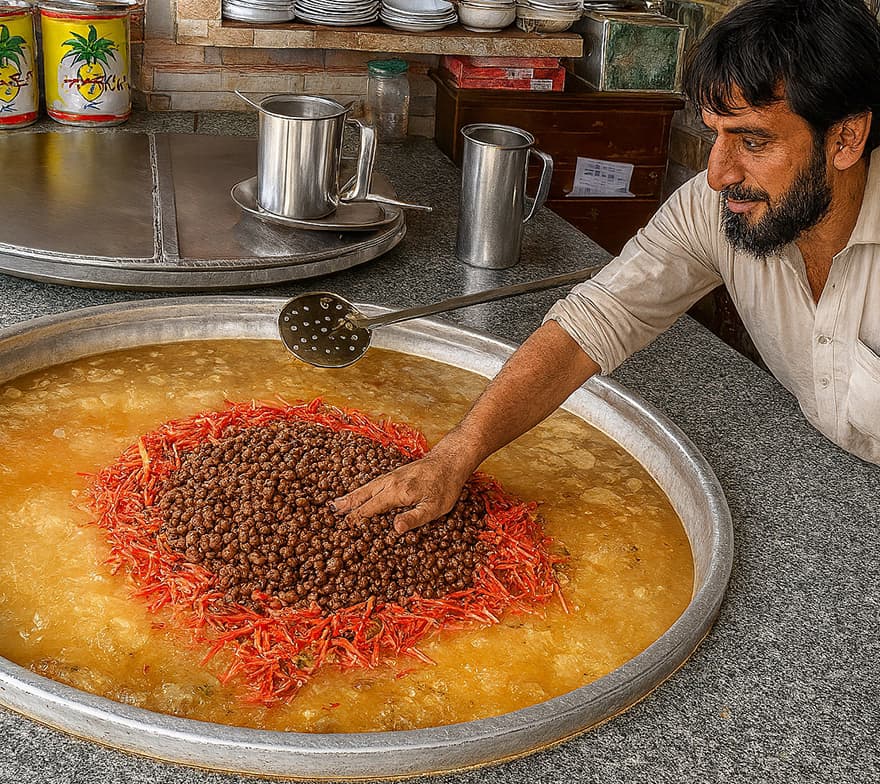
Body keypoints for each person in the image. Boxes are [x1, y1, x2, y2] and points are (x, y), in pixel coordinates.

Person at [333, 0, 880, 533]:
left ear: (846, 138)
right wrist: (454, 456)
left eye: (754, 141)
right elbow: (590, 325)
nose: (717, 174)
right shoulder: (717, 208)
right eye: (716, 135)